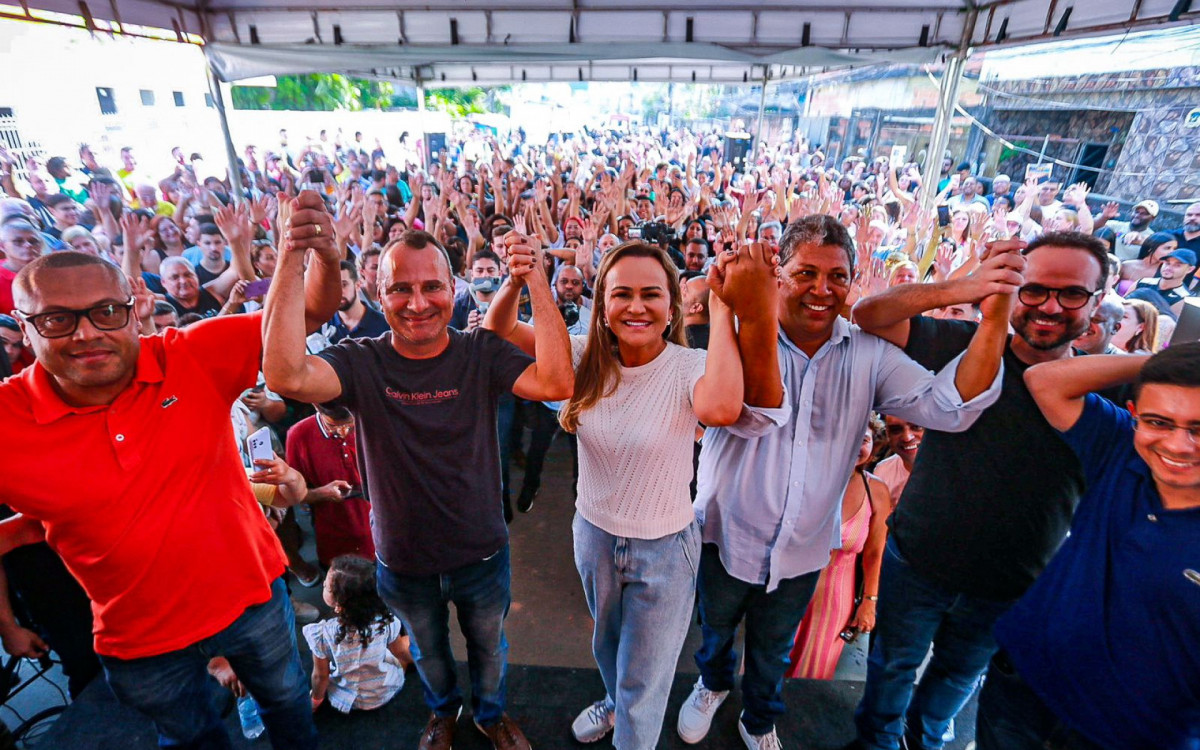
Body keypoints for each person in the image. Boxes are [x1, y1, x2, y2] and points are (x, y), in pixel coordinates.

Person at [0, 190, 337, 748]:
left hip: (251, 601)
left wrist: (314, 254)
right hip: (139, 640)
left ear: (133, 305)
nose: (86, 334)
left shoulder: (190, 355)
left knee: (288, 709)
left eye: (106, 312)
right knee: (192, 738)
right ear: (24, 325)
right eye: (57, 320)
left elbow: (310, 312)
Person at [678, 215, 1010, 750]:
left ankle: (759, 718)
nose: (821, 289)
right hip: (726, 530)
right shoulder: (734, 338)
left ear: (853, 281)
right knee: (715, 628)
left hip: (805, 543)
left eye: (837, 276)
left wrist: (993, 318)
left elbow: (948, 407)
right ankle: (712, 684)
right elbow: (749, 414)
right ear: (778, 275)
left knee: (774, 646)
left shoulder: (869, 354)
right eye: (806, 272)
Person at [263, 227, 573, 750]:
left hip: (481, 551)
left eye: (432, 287)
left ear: (454, 289)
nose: (417, 303)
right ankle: (442, 713)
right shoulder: (361, 359)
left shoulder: (480, 352)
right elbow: (286, 376)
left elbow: (559, 384)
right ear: (377, 293)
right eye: (400, 289)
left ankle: (489, 715)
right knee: (428, 652)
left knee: (489, 649)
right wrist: (293, 257)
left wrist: (535, 281)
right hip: (404, 559)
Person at [848, 231, 1111, 750]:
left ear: (1097, 302)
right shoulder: (964, 342)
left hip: (1009, 583)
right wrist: (963, 286)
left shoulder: (1107, 384)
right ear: (1012, 287)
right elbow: (868, 314)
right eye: (1033, 290)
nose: (1050, 307)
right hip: (917, 560)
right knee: (891, 669)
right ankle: (876, 744)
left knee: (956, 679)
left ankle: (924, 743)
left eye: (1072, 294)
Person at [486, 239, 751, 749]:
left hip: (666, 550)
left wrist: (721, 306)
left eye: (651, 294)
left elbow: (721, 409)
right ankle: (612, 700)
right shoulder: (582, 354)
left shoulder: (688, 366)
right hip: (595, 537)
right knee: (608, 648)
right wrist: (522, 279)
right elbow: (497, 333)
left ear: (671, 305)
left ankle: (627, 722)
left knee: (644, 685)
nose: (635, 306)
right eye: (621, 293)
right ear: (601, 304)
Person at [976, 344, 1200, 749]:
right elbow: (1045, 381)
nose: (1178, 445)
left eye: (1199, 428)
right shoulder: (1122, 451)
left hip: (1125, 736)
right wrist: (1171, 363)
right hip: (1021, 689)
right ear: (1135, 416)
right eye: (1159, 421)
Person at [786, 420, 892, 680]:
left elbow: (874, 554)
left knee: (813, 671)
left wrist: (869, 601)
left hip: (834, 597)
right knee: (767, 660)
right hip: (788, 586)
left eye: (863, 440)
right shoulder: (804, 478)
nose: (855, 446)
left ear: (874, 445)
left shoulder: (876, 491)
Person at [305, 555, 413, 714]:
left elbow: (320, 677)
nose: (323, 584)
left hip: (345, 699)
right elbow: (400, 652)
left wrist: (315, 700)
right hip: (384, 693)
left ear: (340, 605)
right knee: (405, 645)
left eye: (326, 586)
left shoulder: (321, 634)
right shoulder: (387, 622)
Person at [285, 404, 375, 567]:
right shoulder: (299, 436)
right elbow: (294, 495)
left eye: (349, 425)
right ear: (317, 409)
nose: (343, 432)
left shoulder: (373, 423)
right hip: (334, 540)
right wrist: (321, 493)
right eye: (332, 426)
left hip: (380, 537)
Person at [330, 260, 389, 343]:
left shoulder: (384, 326)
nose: (338, 292)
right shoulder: (322, 326)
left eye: (344, 285)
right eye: (332, 286)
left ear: (357, 285)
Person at [873, 416, 925, 504]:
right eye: (896, 429)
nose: (907, 437)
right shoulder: (883, 472)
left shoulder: (953, 469)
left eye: (917, 427)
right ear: (887, 434)